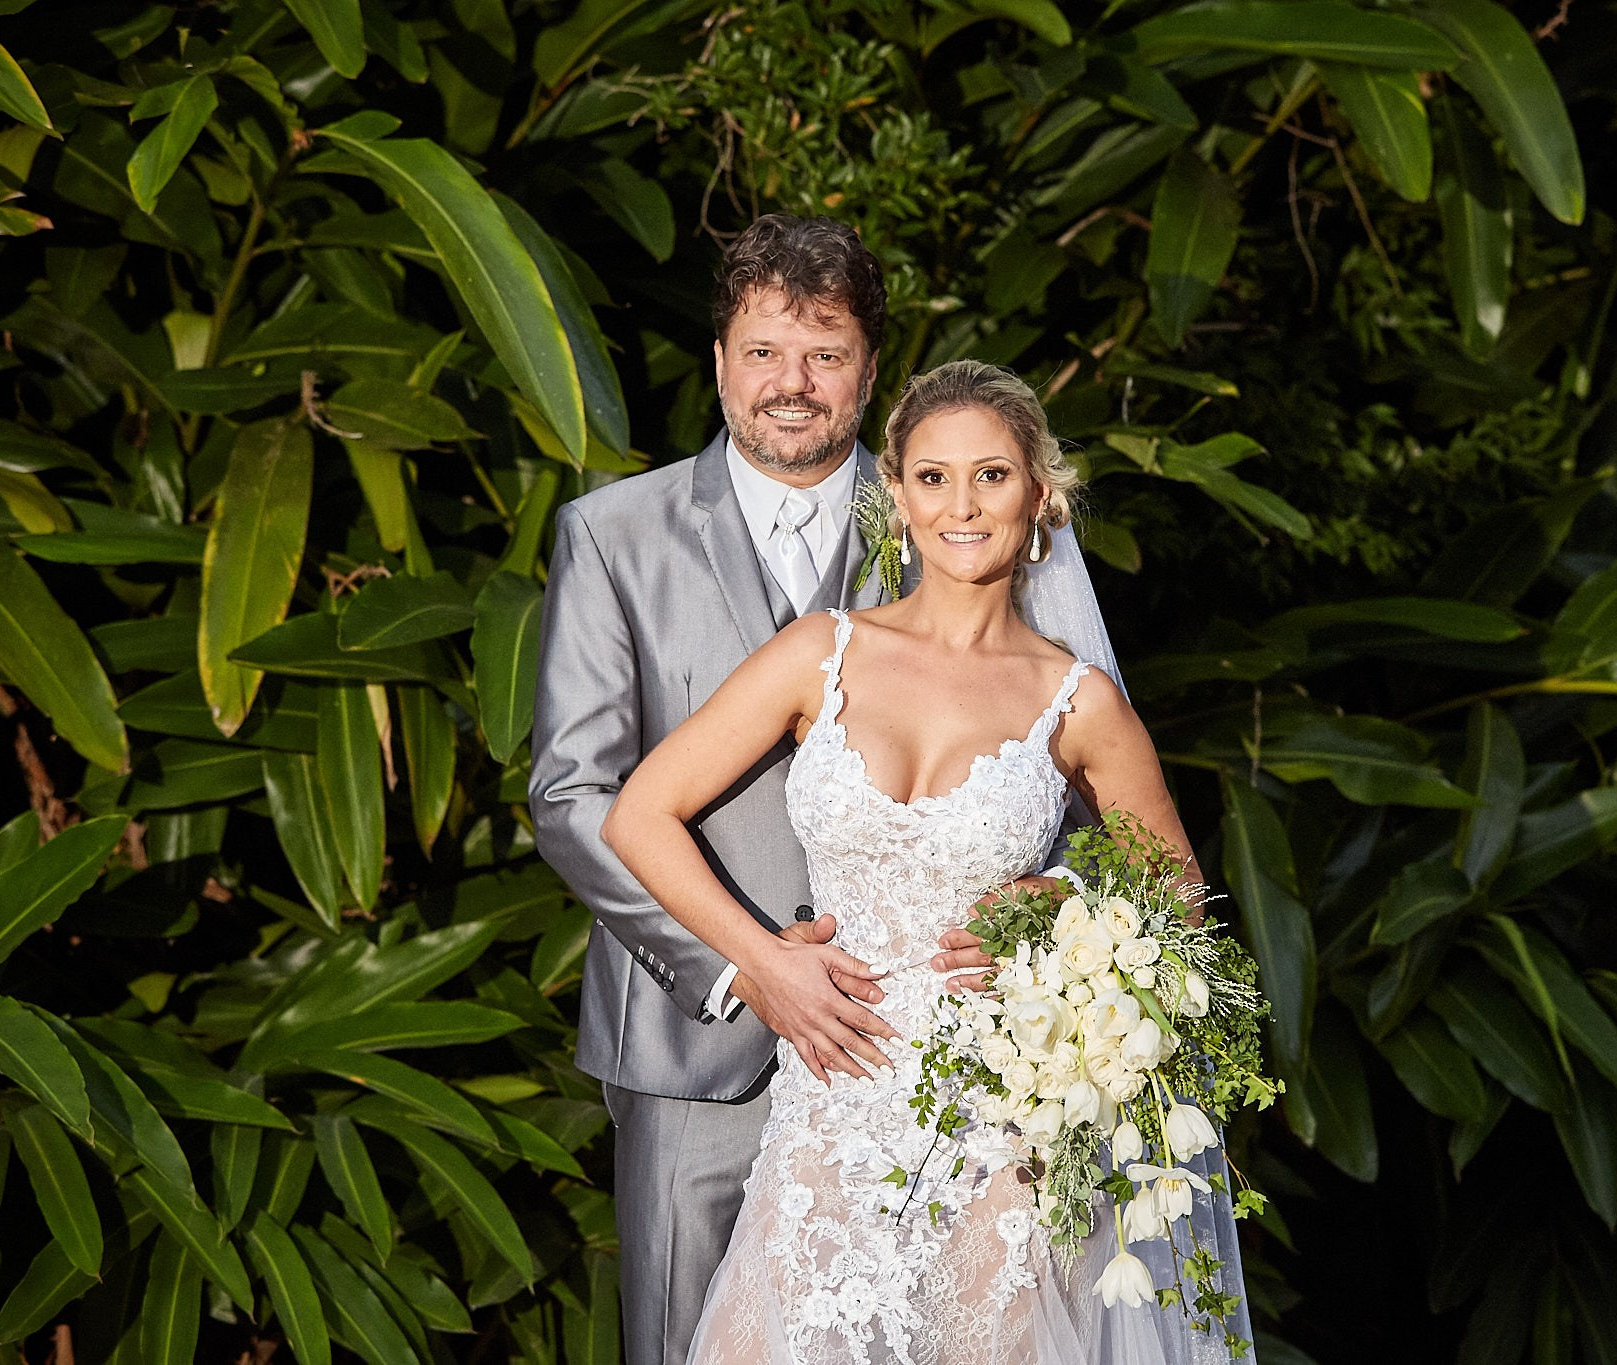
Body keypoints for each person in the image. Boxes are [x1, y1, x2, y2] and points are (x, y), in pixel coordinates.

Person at [529, 218, 1121, 1365]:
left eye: (825, 353)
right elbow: (572, 795)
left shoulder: (951, 519)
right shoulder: (612, 535)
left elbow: (1091, 795)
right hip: (697, 1048)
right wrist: (746, 964)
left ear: (868, 369)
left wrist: (1048, 903)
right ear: (719, 361)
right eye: (763, 351)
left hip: (943, 1063)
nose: (790, 383)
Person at [601, 361, 1244, 1362]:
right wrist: (762, 962)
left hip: (999, 1122)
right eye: (933, 477)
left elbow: (1178, 899)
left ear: (1040, 494)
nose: (962, 505)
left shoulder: (1078, 700)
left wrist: (1057, 904)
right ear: (896, 497)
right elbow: (640, 814)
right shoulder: (819, 651)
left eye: (992, 475)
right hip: (828, 1109)